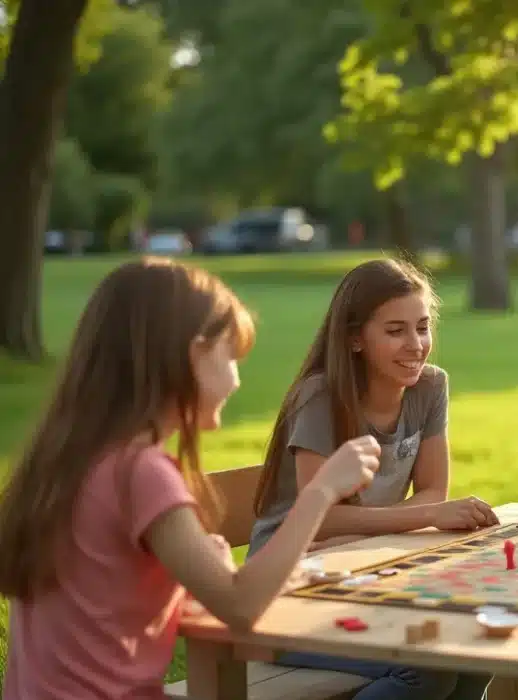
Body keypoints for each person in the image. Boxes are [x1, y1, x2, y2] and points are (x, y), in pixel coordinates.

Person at [0, 258, 381, 700]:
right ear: (193, 354)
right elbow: (240, 606)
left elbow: (112, 596)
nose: (237, 380)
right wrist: (321, 490)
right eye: (231, 357)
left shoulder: (68, 458)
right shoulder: (140, 472)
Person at [249, 258, 495, 700]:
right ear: (355, 338)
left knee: (473, 651)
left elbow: (433, 491)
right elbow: (318, 520)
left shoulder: (429, 388)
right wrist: (421, 516)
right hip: (284, 594)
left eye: (422, 327)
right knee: (426, 669)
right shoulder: (320, 397)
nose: (416, 345)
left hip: (362, 573)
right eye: (396, 330)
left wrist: (360, 537)